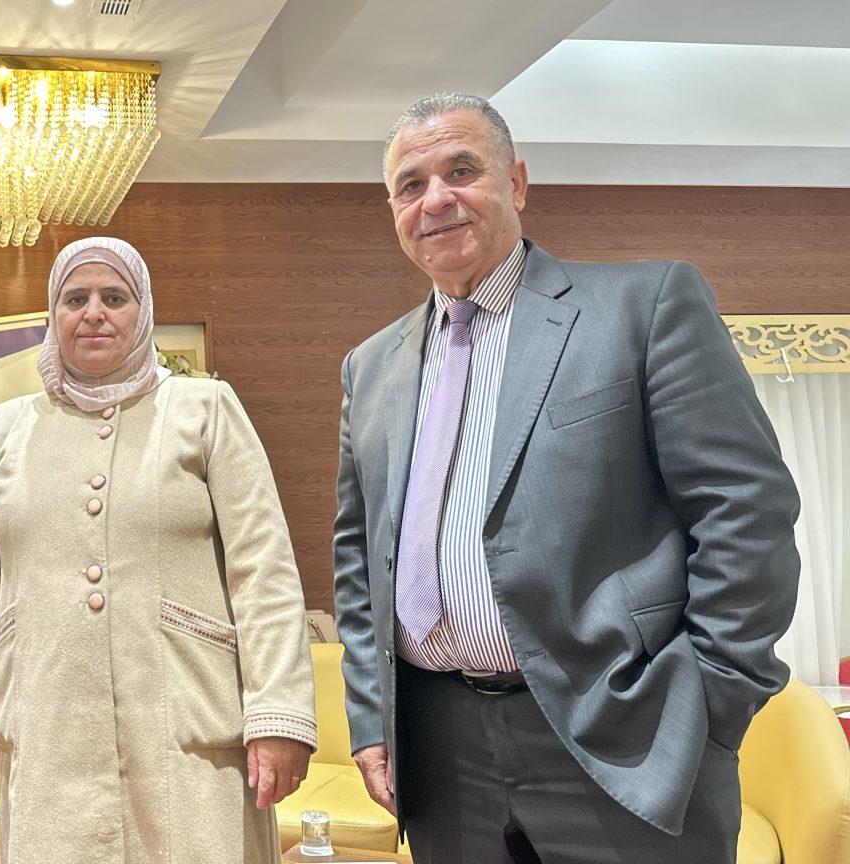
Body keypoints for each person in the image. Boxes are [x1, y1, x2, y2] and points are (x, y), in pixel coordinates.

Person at [331, 92, 801, 863]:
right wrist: (370, 717)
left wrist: (711, 703)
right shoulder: (370, 365)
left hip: (622, 735)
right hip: (440, 757)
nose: (435, 199)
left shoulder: (644, 307)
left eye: (461, 171)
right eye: (410, 185)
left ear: (516, 183)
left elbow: (746, 510)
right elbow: (359, 558)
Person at [0, 236, 317, 864]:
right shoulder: (6, 429)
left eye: (115, 297)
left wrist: (279, 715)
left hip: (189, 730)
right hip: (47, 731)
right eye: (74, 299)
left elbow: (263, 570)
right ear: (53, 315)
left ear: (145, 310)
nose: (94, 313)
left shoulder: (205, 409)